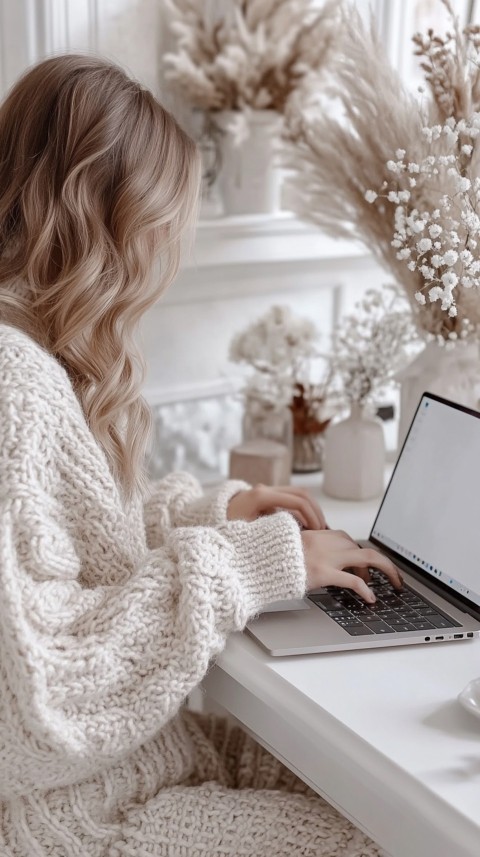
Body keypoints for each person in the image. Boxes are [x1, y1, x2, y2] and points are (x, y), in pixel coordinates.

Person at [0, 55, 400, 857]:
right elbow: (37, 698)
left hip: (139, 764)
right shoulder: (12, 381)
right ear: (110, 224)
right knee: (389, 833)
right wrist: (252, 563)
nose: (170, 255)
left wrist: (214, 511)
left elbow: (75, 548)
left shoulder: (36, 357)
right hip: (81, 814)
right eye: (164, 226)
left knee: (374, 791)